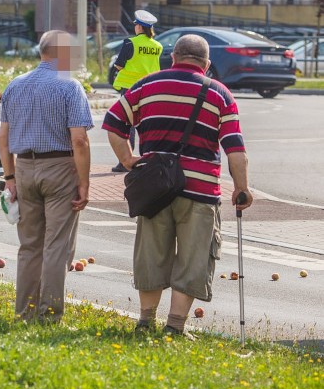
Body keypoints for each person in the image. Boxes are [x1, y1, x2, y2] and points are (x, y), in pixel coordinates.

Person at [102, 34, 252, 338]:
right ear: (207, 64)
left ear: (173, 58)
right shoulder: (221, 94)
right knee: (195, 256)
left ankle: (145, 321)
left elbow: (113, 122)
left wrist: (128, 159)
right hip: (200, 191)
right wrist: (241, 188)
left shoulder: (147, 85)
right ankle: (175, 326)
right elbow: (235, 148)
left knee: (152, 253)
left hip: (154, 187)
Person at [0, 30, 93, 324]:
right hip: (59, 168)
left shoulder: (15, 85)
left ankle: (24, 314)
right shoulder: (70, 86)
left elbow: (3, 137)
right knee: (56, 245)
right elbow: (79, 140)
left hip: (24, 168)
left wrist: (9, 177)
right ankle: (49, 315)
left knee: (29, 245)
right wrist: (84, 181)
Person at [110, 10, 163, 173]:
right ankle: (150, 160)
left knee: (128, 124)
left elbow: (118, 65)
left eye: (136, 25)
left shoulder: (130, 43)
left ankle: (126, 161)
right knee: (147, 123)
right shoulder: (157, 46)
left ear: (139, 27)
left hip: (130, 88)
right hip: (150, 87)